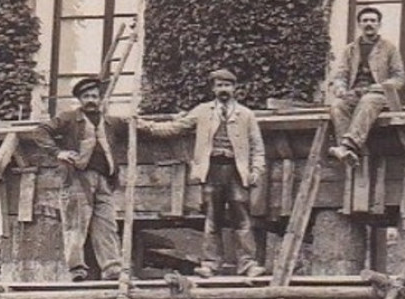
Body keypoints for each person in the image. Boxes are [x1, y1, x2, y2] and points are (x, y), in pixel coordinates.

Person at [138, 68, 267, 278]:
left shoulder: (245, 115)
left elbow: (257, 146)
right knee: (212, 218)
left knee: (242, 219)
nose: (223, 89)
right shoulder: (202, 111)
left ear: (234, 88)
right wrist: (145, 126)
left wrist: (256, 171)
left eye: (227, 85)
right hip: (211, 170)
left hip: (236, 171)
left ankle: (248, 263)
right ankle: (210, 263)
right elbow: (175, 128)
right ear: (213, 88)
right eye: (219, 85)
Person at [40, 76, 127, 283]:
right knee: (75, 225)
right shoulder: (69, 118)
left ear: (100, 99)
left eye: (94, 96)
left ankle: (112, 267)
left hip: (104, 180)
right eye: (86, 96)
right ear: (80, 99)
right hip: (78, 179)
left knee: (107, 224)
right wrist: (57, 153)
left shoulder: (110, 122)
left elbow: (139, 128)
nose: (91, 100)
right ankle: (76, 270)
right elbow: (41, 131)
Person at [328, 6, 405, 170]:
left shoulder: (389, 48)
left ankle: (348, 145)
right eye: (365, 21)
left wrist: (382, 86)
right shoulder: (350, 49)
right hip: (354, 93)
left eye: (373, 20)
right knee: (337, 105)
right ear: (359, 25)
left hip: (379, 94)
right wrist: (340, 86)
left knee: (368, 100)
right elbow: (341, 73)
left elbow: (399, 78)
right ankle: (345, 150)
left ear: (379, 24)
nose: (369, 24)